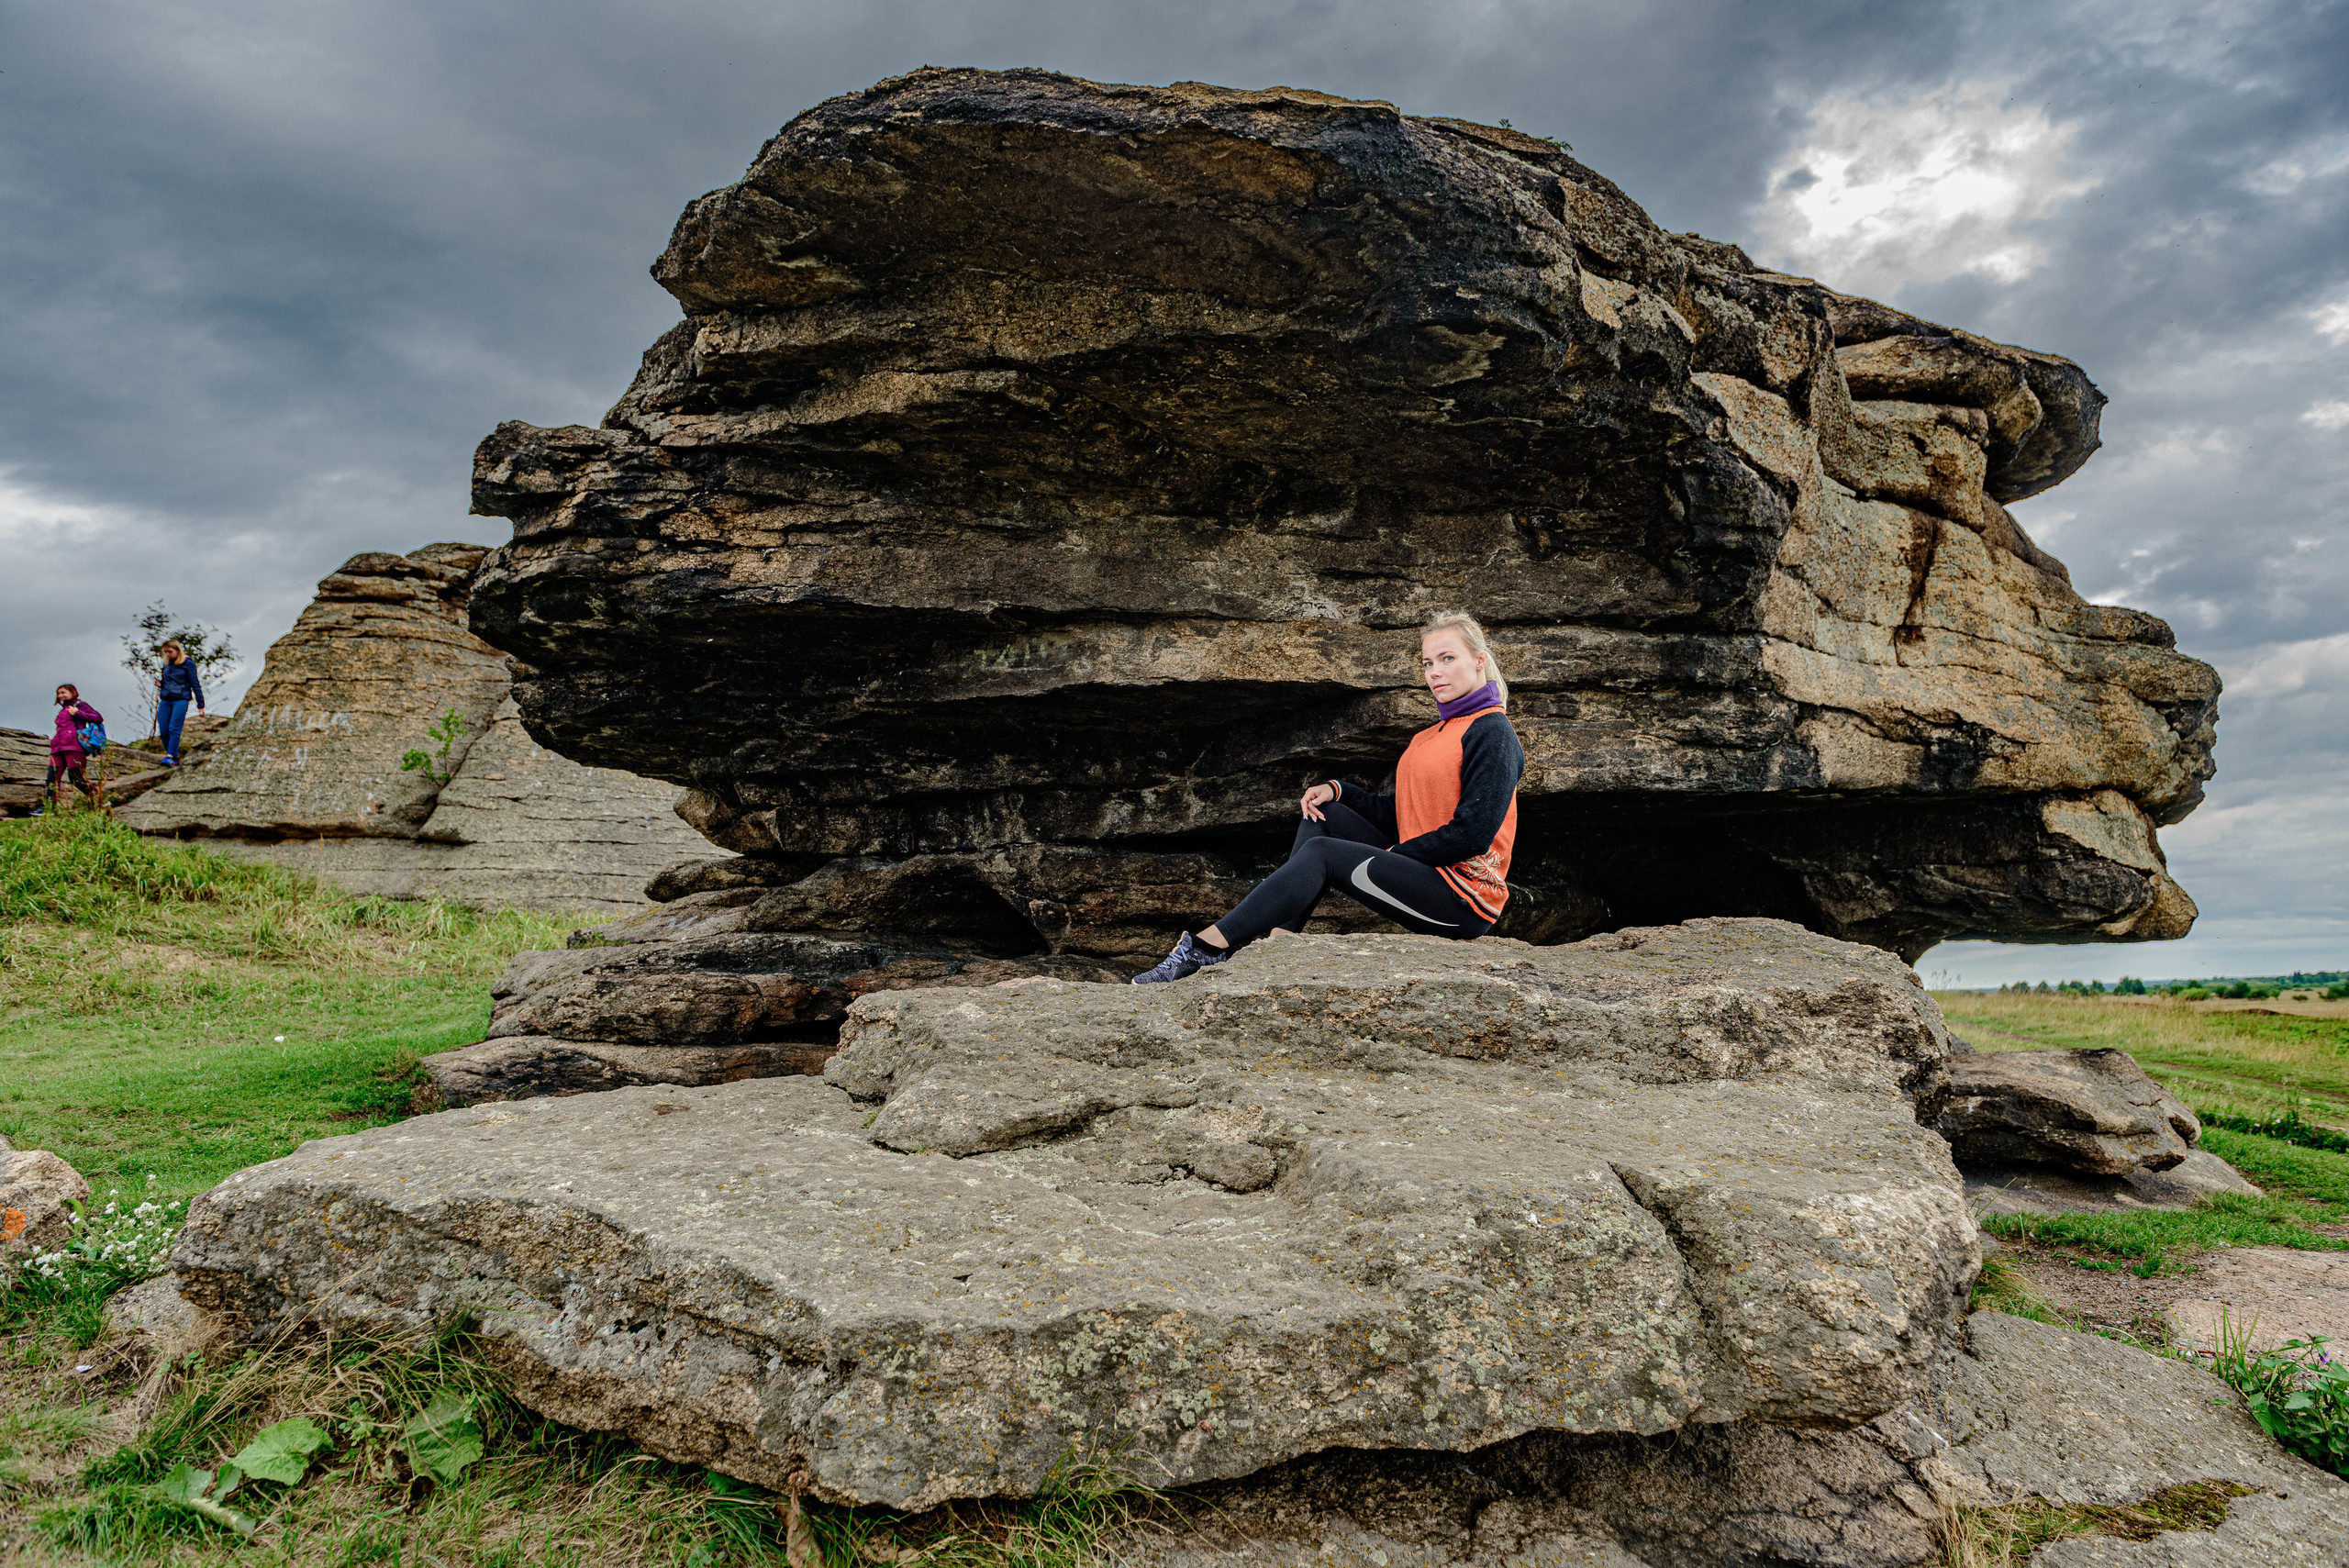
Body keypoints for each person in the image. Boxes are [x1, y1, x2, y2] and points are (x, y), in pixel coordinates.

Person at [1133, 611, 1524, 984]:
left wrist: (1393, 857)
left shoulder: (1492, 732)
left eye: (1447, 658)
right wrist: (1340, 790)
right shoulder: (1429, 736)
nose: (1435, 672)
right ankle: (1281, 944)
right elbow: (1403, 815)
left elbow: (1473, 834)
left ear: (1478, 661)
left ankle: (1205, 947)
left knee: (1323, 852)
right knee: (1324, 815)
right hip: (1424, 873)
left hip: (1462, 900)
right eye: (1427, 663)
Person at [41, 684, 106, 814]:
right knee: (52, 778)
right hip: (58, 748)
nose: (60, 695)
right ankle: (49, 809)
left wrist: (78, 713)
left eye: (63, 692)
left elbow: (98, 718)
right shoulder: (63, 709)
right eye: (58, 693)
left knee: (76, 778)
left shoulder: (80, 705)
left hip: (74, 747)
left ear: (73, 692)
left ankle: (99, 800)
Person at [154, 639, 206, 764]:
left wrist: (200, 704)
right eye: (165, 652)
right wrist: (160, 685)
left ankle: (170, 756)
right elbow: (167, 681)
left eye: (170, 651)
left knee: (174, 728)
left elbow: (195, 683)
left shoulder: (188, 664)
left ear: (177, 650)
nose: (167, 654)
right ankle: (174, 756)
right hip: (166, 699)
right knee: (164, 729)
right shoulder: (167, 665)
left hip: (181, 699)